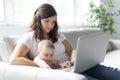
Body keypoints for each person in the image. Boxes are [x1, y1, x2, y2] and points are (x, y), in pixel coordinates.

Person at [9, 3, 120, 80]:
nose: (50, 25)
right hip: (64, 73)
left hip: (75, 66)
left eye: (53, 22)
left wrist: (73, 58)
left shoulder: (57, 34)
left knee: (114, 74)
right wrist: (40, 64)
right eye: (47, 21)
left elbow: (71, 50)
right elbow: (14, 60)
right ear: (38, 20)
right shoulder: (30, 37)